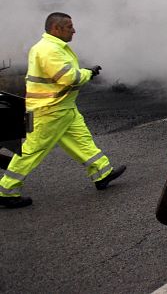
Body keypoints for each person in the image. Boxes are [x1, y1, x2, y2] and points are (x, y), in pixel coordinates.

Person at [0, 13, 126, 209]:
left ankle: (102, 172)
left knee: (81, 140)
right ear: (56, 29)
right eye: (69, 27)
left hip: (62, 107)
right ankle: (6, 191)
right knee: (32, 150)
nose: (74, 30)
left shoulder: (52, 47)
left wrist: (83, 72)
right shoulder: (49, 49)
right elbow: (68, 78)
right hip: (50, 110)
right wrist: (88, 73)